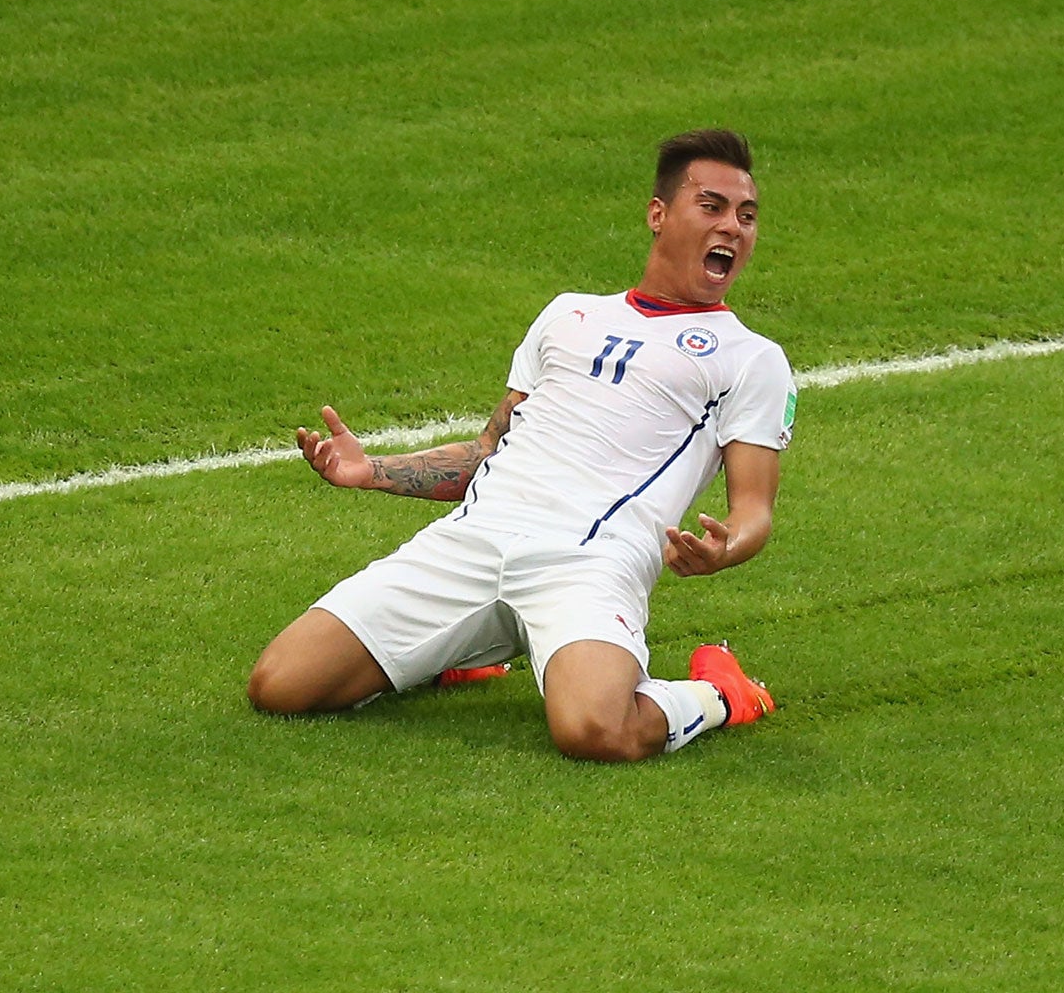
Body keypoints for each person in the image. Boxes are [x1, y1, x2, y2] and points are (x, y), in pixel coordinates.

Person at [248, 128, 796, 763]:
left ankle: (717, 693)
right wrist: (372, 471)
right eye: (712, 206)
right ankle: (452, 653)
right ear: (658, 214)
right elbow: (490, 451)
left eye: (746, 216)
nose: (732, 226)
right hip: (476, 538)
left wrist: (728, 546)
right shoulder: (567, 315)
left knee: (596, 731)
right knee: (280, 685)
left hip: (587, 560)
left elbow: (753, 510)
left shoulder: (751, 359)